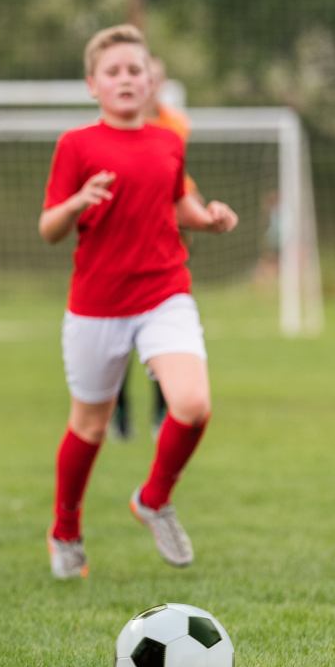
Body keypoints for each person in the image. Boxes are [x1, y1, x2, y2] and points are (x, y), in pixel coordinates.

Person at [38, 25, 238, 579]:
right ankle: (66, 529)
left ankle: (153, 498)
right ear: (92, 84)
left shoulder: (168, 141)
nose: (126, 79)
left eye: (135, 70)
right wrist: (79, 200)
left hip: (164, 294)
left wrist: (210, 218)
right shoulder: (75, 145)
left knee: (193, 403)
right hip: (96, 306)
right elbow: (49, 227)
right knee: (90, 427)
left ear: (152, 81)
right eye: (114, 71)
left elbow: (181, 203)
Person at [111, 56, 197, 441]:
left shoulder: (174, 126)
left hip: (163, 238)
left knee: (166, 333)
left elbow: (174, 182)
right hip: (121, 243)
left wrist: (196, 214)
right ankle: (119, 416)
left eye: (155, 77)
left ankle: (163, 413)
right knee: (117, 339)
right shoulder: (113, 126)